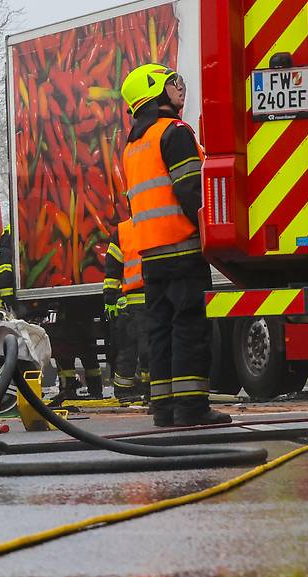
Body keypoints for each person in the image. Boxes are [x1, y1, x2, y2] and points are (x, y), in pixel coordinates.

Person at [121, 63, 229, 427]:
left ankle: (164, 410)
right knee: (189, 329)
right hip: (183, 248)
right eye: (172, 83)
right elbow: (190, 190)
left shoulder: (133, 146)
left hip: (151, 257)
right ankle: (193, 407)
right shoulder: (176, 132)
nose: (179, 88)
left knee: (161, 331)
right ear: (155, 93)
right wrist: (212, 231)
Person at [104, 219, 149, 404]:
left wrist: (110, 296)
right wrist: (110, 297)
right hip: (143, 298)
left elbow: (111, 266)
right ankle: (146, 390)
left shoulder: (123, 230)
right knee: (143, 347)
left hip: (135, 299)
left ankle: (127, 391)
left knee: (131, 347)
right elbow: (113, 266)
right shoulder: (151, 226)